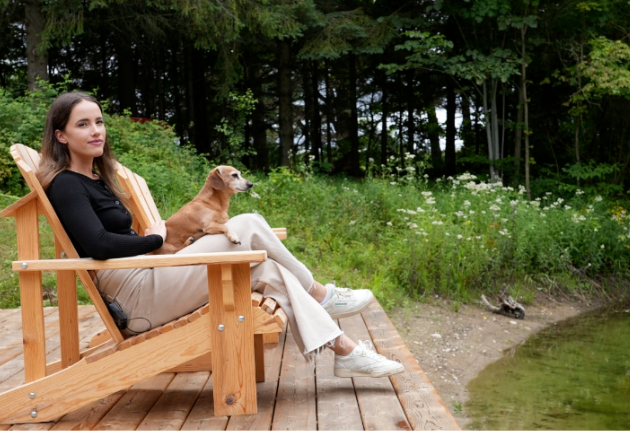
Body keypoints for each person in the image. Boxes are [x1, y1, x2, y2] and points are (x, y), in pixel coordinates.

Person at [37, 91, 404, 378]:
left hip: (149, 276)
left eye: (98, 122)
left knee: (264, 271)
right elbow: (97, 245)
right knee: (247, 223)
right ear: (62, 135)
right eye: (83, 124)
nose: (96, 130)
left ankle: (346, 352)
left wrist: (155, 242)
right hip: (136, 298)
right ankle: (320, 295)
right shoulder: (67, 185)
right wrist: (154, 238)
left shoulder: (95, 180)